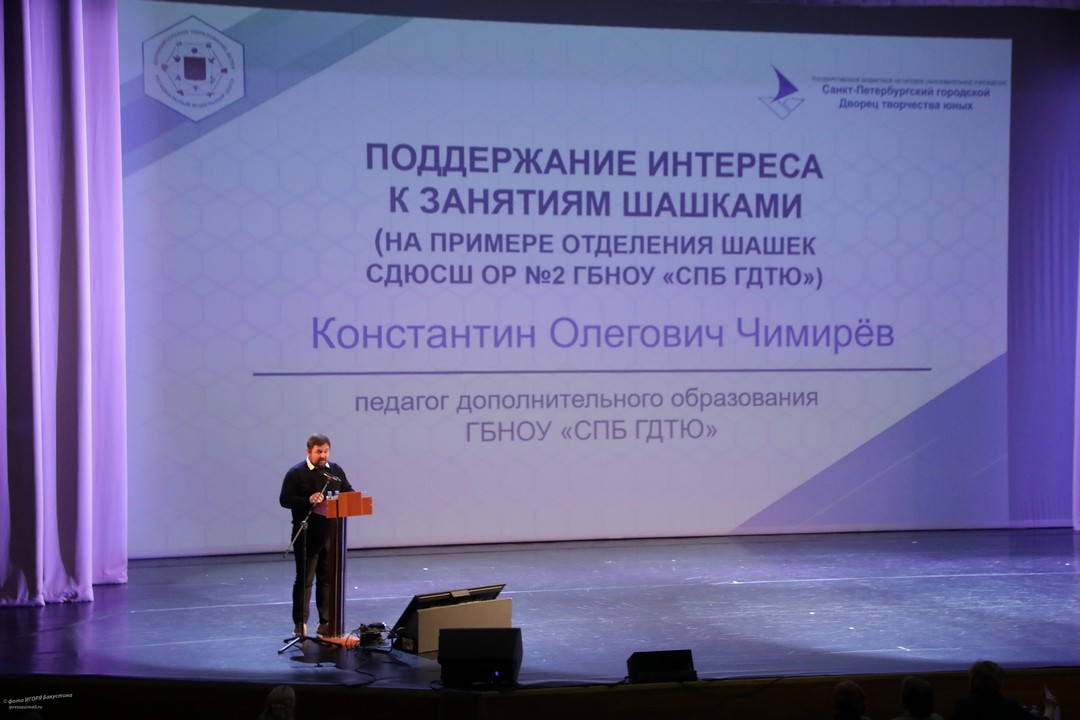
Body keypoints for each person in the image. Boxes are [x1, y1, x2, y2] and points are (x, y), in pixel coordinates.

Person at [279, 433, 354, 637]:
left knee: (327, 580)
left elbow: (348, 491)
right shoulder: (296, 473)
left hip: (332, 535)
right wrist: (308, 500)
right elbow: (284, 499)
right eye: (319, 451)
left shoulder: (335, 471)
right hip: (307, 534)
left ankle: (326, 622)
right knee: (305, 580)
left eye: (326, 451)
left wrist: (352, 498)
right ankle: (300, 623)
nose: (323, 455)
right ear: (309, 451)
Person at [951, 660, 1059, 720]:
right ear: (1000, 682)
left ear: (972, 680)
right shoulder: (1009, 706)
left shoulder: (962, 705)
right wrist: (1049, 709)